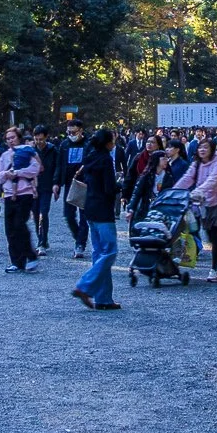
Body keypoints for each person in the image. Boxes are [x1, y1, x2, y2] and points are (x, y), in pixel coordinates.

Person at [70, 128, 122, 309]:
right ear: (108, 143)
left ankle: (104, 298)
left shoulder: (90, 157)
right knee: (110, 251)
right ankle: (84, 285)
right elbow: (109, 188)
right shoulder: (106, 159)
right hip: (103, 211)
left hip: (89, 208)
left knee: (99, 252)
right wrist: (120, 186)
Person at [187, 136, 217, 280]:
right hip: (205, 203)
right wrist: (175, 191)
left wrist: (196, 192)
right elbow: (187, 178)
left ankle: (213, 270)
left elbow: (212, 182)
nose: (202, 150)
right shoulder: (197, 163)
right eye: (200, 147)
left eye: (206, 147)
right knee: (209, 236)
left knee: (215, 235)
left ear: (212, 149)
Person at [0, 127, 42, 272]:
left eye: (13, 137)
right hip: (9, 194)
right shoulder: (4, 155)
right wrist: (6, 174)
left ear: (19, 138)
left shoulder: (27, 152)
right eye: (8, 138)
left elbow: (35, 169)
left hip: (25, 193)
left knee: (19, 224)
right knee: (10, 228)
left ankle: (30, 255)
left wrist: (18, 172)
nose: (10, 140)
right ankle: (16, 261)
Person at [56, 121, 92, 258]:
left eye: (74, 132)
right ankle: (79, 237)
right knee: (68, 215)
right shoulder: (64, 145)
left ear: (81, 131)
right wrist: (57, 183)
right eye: (69, 132)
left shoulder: (88, 144)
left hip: (84, 183)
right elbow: (60, 164)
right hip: (69, 183)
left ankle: (80, 244)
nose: (71, 135)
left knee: (84, 216)